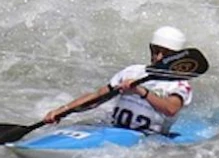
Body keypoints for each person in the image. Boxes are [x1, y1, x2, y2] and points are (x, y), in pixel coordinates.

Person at [42, 26, 194, 135]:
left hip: (150, 138)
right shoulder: (133, 71)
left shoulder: (180, 84)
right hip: (114, 129)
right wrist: (62, 111)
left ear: (175, 57)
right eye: (156, 51)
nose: (159, 57)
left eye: (166, 53)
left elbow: (171, 109)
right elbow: (97, 97)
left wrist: (140, 91)